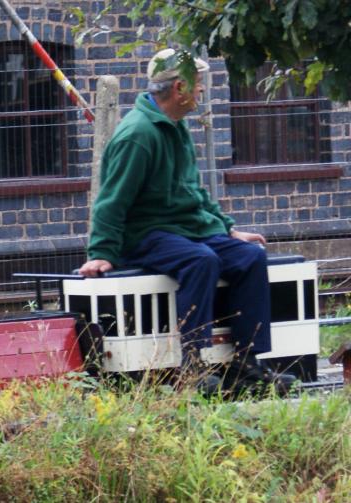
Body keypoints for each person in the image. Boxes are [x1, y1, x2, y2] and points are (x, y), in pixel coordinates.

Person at [79, 48, 295, 394]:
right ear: (180, 87)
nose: (202, 92)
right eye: (198, 86)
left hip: (183, 231)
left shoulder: (176, 128)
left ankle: (244, 363)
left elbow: (193, 191)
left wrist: (228, 229)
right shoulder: (137, 135)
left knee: (249, 257)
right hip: (145, 235)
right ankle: (190, 369)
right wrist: (101, 251)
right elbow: (111, 199)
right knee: (201, 260)